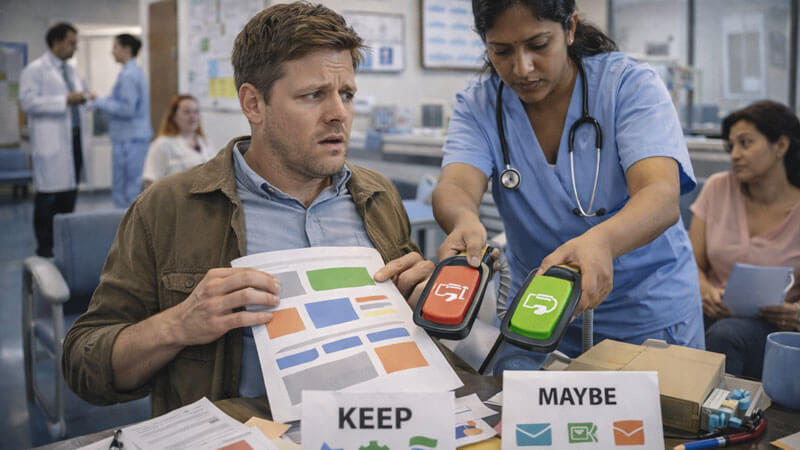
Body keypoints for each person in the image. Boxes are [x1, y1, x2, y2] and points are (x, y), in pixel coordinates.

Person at [63, 2, 434, 416]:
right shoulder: (167, 209)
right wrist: (179, 324)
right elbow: (84, 365)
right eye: (313, 95)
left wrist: (428, 302)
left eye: (346, 94)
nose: (339, 115)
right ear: (253, 104)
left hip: (380, 427)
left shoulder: (377, 196)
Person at [433, 0, 704, 371]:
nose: (521, 67)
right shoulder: (479, 105)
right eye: (502, 50)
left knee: (650, 423)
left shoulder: (628, 86)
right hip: (537, 308)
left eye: (538, 45)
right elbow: (456, 187)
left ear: (570, 28)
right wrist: (464, 220)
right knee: (520, 417)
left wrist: (601, 241)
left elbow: (660, 195)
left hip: (644, 309)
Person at [689, 100, 800, 378]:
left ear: (781, 146)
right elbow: (690, 261)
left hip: (775, 325)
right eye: (731, 146)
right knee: (666, 318)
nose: (735, 154)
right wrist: (704, 290)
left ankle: (726, 417)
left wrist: (796, 312)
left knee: (726, 335)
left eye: (745, 143)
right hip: (712, 309)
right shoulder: (718, 188)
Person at [20, 23, 90, 257]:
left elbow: (78, 97)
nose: (75, 47)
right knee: (47, 199)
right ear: (57, 42)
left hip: (74, 140)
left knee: (68, 195)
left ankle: (62, 245)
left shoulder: (70, 71)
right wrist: (64, 100)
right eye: (72, 42)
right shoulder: (35, 70)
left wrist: (83, 97)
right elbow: (28, 102)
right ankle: (45, 247)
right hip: (52, 142)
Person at [92, 33, 152, 208]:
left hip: (130, 139)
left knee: (127, 190)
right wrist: (102, 101)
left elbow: (127, 108)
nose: (112, 52)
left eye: (115, 47)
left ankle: (126, 232)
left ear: (126, 49)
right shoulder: (131, 72)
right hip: (131, 138)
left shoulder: (128, 75)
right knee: (129, 187)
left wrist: (98, 102)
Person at [142, 94, 214, 189]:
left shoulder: (205, 142)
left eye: (196, 112)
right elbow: (150, 181)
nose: (192, 116)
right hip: (173, 202)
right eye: (187, 112)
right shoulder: (163, 144)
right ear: (174, 116)